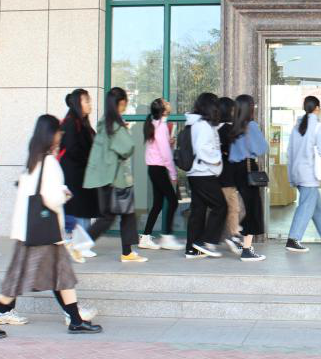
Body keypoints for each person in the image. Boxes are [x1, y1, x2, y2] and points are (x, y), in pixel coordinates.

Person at [0, 114, 101, 338]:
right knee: (19, 279)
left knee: (61, 276)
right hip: (43, 235)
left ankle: (76, 321)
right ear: (52, 135)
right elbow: (51, 199)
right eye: (58, 131)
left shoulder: (33, 161)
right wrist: (65, 193)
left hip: (32, 232)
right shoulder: (49, 163)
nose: (61, 135)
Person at [83, 87, 146, 262]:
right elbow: (127, 147)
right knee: (109, 217)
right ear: (121, 102)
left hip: (108, 178)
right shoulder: (114, 125)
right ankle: (80, 244)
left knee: (126, 214)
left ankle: (127, 252)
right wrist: (125, 131)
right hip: (115, 179)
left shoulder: (106, 123)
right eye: (125, 103)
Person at [284, 96, 321, 253]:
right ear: (317, 108)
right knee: (306, 206)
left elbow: (289, 152)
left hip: (297, 172)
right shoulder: (318, 126)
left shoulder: (297, 127)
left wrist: (291, 175)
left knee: (316, 205)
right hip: (309, 173)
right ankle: (293, 239)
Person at [183, 92, 227, 259]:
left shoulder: (195, 123)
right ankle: (205, 241)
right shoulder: (202, 126)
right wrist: (216, 160)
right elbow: (202, 148)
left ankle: (192, 248)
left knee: (198, 210)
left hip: (195, 173)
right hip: (203, 173)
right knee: (220, 206)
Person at [138, 98, 184, 251]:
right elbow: (165, 155)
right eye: (165, 103)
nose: (168, 103)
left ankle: (145, 237)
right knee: (173, 201)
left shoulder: (154, 124)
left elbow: (159, 149)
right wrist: (173, 173)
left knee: (158, 204)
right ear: (164, 110)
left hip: (154, 168)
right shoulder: (161, 126)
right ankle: (167, 237)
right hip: (159, 169)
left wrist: (168, 144)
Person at [58, 89, 99, 261]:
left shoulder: (82, 123)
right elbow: (73, 149)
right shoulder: (70, 123)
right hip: (74, 174)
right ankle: (79, 245)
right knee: (79, 210)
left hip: (82, 173)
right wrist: (89, 160)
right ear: (77, 103)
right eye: (86, 101)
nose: (90, 104)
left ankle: (82, 244)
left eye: (89, 100)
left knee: (83, 210)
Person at [227, 94, 268, 262]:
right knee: (254, 209)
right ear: (249, 108)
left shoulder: (234, 128)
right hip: (248, 168)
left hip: (236, 170)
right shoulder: (251, 126)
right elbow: (261, 148)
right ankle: (246, 249)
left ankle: (239, 237)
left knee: (252, 208)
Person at [216, 96, 242, 250]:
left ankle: (228, 236)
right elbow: (232, 153)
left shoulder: (216, 128)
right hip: (226, 176)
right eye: (233, 110)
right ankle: (232, 236)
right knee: (232, 208)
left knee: (228, 208)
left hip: (220, 175)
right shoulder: (226, 130)